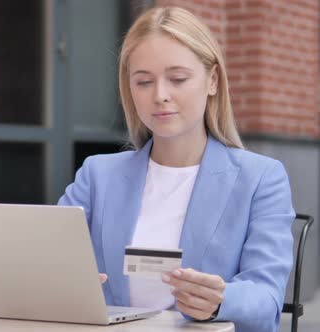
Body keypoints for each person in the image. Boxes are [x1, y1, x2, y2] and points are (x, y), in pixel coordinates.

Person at [58, 6, 294, 332]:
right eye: (143, 82)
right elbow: (49, 261)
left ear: (212, 80)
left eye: (178, 79)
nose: (160, 95)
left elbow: (266, 300)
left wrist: (220, 300)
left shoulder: (260, 179)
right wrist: (61, 281)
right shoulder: (97, 175)